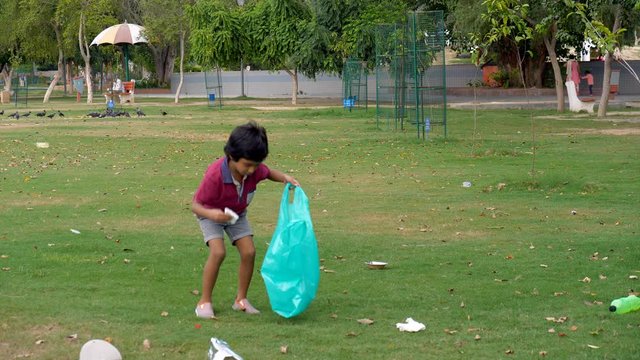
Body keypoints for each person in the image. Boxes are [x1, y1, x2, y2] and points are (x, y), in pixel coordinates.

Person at [192, 121, 299, 318]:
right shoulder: (215, 175)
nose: (252, 170)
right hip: (210, 213)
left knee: (249, 251)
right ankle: (204, 301)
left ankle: (241, 300)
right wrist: (213, 215)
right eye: (247, 165)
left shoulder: (255, 170)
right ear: (232, 156)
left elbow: (268, 173)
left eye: (255, 165)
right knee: (218, 252)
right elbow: (195, 205)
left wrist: (285, 178)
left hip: (236, 214)